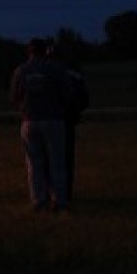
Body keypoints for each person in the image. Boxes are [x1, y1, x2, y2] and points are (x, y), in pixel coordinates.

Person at [10, 38, 73, 211]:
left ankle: (38, 200)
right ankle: (59, 199)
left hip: (30, 120)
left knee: (34, 162)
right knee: (57, 161)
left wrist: (24, 109)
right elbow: (67, 92)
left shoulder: (21, 71)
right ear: (45, 51)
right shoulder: (55, 69)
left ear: (28, 52)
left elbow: (15, 96)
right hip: (53, 119)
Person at [47, 43, 89, 202]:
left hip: (51, 119)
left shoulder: (47, 74)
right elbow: (84, 100)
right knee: (66, 158)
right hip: (68, 121)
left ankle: (50, 192)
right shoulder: (74, 74)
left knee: (49, 158)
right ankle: (66, 192)